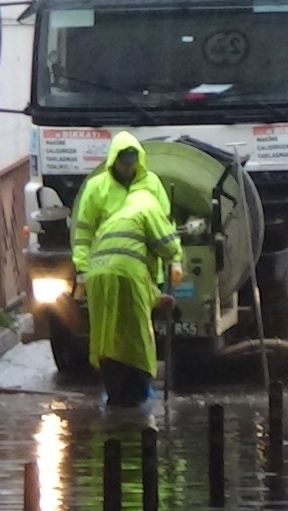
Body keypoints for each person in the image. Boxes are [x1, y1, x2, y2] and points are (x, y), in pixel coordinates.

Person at [85, 176, 184, 407]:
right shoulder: (148, 206)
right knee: (136, 337)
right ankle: (136, 396)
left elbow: (128, 259)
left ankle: (115, 395)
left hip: (97, 277)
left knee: (108, 335)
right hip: (126, 276)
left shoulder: (118, 215)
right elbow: (167, 244)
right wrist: (177, 260)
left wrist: (158, 298)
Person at [71, 131, 171, 285]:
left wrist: (173, 259)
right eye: (124, 163)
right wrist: (83, 268)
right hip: (108, 269)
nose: (128, 167)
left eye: (132, 162)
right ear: (114, 159)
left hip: (146, 272)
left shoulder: (152, 183)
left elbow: (164, 224)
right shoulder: (96, 187)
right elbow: (84, 231)